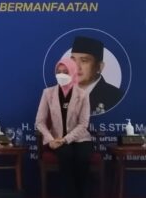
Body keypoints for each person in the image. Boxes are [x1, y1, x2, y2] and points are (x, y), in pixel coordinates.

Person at [36, 57, 93, 198]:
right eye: (58, 72)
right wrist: (50, 140)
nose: (61, 75)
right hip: (56, 140)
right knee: (66, 155)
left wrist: (65, 139)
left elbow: (83, 123)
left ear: (73, 72)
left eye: (65, 72)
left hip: (79, 139)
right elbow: (40, 122)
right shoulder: (48, 93)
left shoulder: (83, 94)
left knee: (82, 158)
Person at [70, 36, 123, 115]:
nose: (76, 67)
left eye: (84, 61)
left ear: (99, 67)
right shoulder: (59, 93)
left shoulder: (116, 97)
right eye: (73, 60)